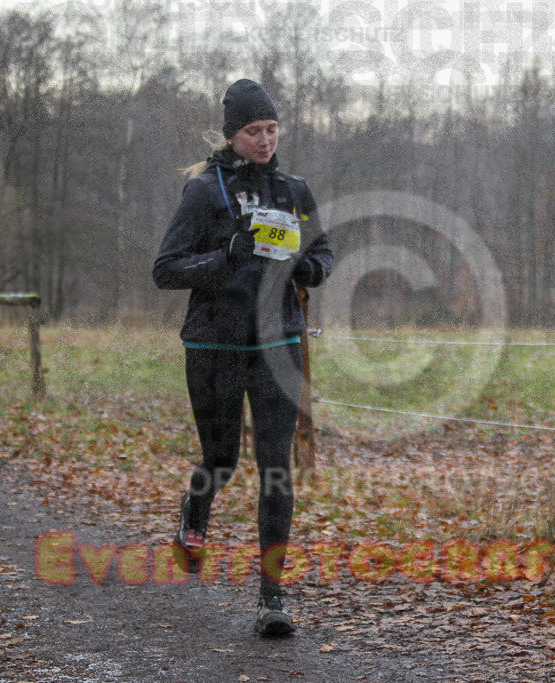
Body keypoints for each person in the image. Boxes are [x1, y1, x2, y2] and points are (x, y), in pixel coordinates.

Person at [152, 79, 332, 637]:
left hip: (277, 343)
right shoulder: (205, 192)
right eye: (254, 131)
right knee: (223, 460)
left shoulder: (294, 189)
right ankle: (195, 510)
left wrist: (308, 269)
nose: (265, 140)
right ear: (233, 135)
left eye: (272, 129)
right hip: (215, 345)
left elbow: (322, 252)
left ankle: (272, 599)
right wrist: (226, 256)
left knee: (276, 467)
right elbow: (165, 270)